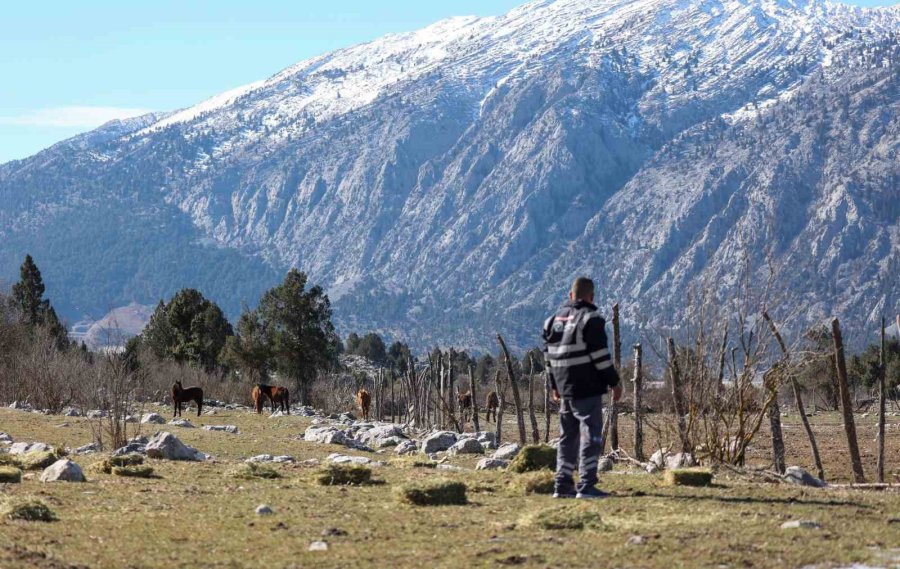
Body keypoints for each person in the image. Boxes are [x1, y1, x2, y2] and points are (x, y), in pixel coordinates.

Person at [542, 277, 622, 499]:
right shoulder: (591, 319)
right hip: (587, 387)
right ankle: (587, 485)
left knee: (567, 437)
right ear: (591, 297)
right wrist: (614, 382)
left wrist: (554, 385)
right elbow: (601, 357)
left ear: (570, 296)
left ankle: (562, 485)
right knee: (590, 435)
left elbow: (548, 357)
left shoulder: (552, 322)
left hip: (565, 387)